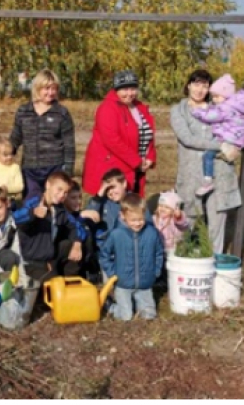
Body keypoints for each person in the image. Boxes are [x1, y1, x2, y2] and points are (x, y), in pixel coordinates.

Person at [170, 69, 242, 254]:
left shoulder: (220, 108)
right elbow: (187, 139)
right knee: (187, 219)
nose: (200, 90)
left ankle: (214, 263)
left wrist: (233, 146)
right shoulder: (178, 111)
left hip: (219, 172)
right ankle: (182, 261)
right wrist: (221, 146)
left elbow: (235, 129)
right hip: (191, 174)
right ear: (188, 85)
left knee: (217, 221)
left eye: (205, 85)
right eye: (196, 84)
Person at [82, 70, 156, 197]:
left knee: (132, 208)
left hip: (136, 168)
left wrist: (150, 157)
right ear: (116, 89)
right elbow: (112, 140)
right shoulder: (107, 108)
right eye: (125, 89)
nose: (129, 93)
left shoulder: (140, 107)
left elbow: (148, 135)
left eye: (133, 88)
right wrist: (137, 161)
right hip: (112, 167)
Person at [9, 69, 76, 201]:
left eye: (54, 89)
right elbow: (15, 138)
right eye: (47, 88)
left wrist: (67, 172)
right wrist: (3, 155)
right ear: (37, 88)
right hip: (30, 169)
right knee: (31, 206)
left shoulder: (62, 113)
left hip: (54, 169)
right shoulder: (23, 111)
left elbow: (69, 146)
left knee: (54, 205)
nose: (51, 93)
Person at [99, 194, 164, 321]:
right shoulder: (116, 234)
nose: (138, 223)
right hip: (123, 283)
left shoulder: (151, 233)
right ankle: (111, 306)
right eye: (133, 220)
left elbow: (159, 253)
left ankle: (136, 305)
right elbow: (104, 255)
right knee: (126, 317)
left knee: (149, 316)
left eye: (140, 219)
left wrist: (155, 271)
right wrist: (112, 273)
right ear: (123, 216)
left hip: (145, 283)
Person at [189, 73, 244, 196]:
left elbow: (211, 116)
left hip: (229, 139)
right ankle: (230, 151)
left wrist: (197, 112)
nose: (214, 99)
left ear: (225, 95)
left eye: (216, 97)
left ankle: (208, 181)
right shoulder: (235, 106)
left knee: (207, 155)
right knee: (214, 154)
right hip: (237, 138)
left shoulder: (226, 108)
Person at [12, 171, 80, 282]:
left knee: (70, 245)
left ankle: (72, 281)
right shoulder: (34, 203)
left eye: (65, 192)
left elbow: (74, 226)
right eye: (59, 189)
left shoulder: (59, 209)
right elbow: (16, 218)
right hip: (31, 262)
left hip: (49, 257)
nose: (62, 195)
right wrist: (33, 213)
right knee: (55, 286)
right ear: (48, 185)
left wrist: (77, 244)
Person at [0, 186, 29, 286]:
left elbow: (17, 252)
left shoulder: (12, 223)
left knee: (10, 257)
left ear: (7, 204)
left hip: (2, 257)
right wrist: (2, 277)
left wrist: (23, 278)